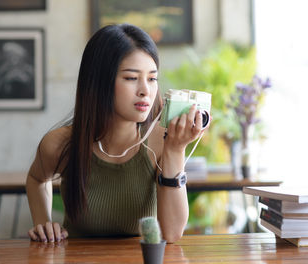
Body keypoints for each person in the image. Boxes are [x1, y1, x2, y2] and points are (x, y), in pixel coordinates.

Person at [26, 24, 207, 243]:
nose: (145, 90)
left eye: (152, 78)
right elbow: (36, 178)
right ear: (99, 81)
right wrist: (42, 222)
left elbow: (171, 234)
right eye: (131, 78)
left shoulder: (161, 140)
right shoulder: (60, 144)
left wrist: (176, 150)